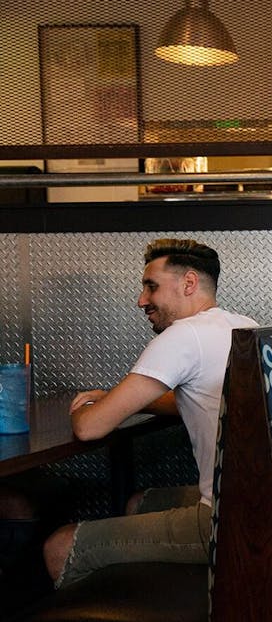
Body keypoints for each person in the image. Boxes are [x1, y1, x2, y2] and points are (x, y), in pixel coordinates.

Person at [42, 239, 257, 588]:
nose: (142, 300)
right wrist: (118, 398)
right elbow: (195, 399)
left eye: (151, 287)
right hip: (256, 506)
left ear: (188, 283)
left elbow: (89, 429)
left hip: (222, 520)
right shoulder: (243, 325)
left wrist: (87, 408)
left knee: (59, 545)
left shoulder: (183, 336)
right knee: (139, 502)